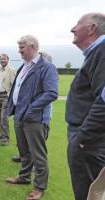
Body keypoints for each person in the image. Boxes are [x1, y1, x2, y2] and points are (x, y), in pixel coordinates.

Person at [5, 35, 58, 200]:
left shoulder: (46, 67)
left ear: (33, 47)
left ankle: (39, 187)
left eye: (22, 48)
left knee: (38, 155)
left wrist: (31, 108)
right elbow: (18, 88)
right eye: (19, 47)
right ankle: (24, 177)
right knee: (24, 152)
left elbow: (51, 93)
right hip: (20, 116)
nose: (19, 51)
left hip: (34, 119)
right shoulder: (24, 66)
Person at [66, 13, 105, 200]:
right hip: (88, 141)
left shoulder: (103, 51)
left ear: (92, 29)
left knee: (88, 194)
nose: (72, 29)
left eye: (78, 24)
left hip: (88, 143)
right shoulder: (96, 53)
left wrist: (82, 138)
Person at [0, 53, 16, 146]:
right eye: (1, 59)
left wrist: (9, 96)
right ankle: (2, 134)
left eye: (4, 59)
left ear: (8, 60)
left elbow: (13, 85)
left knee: (4, 118)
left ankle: (5, 138)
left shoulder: (11, 70)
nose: (2, 60)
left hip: (5, 97)